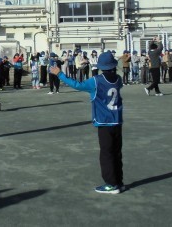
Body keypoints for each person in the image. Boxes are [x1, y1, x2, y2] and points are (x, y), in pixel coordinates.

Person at [49, 51, 124, 194]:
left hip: (104, 121)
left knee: (106, 154)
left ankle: (111, 184)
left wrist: (60, 74)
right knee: (116, 153)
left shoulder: (96, 80)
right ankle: (119, 182)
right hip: (117, 121)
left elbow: (77, 85)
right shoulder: (118, 79)